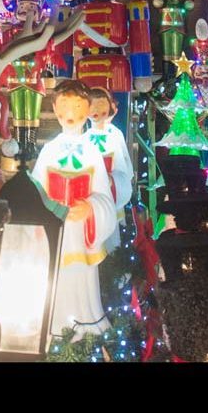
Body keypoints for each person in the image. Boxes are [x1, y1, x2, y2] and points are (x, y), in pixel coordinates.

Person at [31, 80, 116, 339]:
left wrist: (91, 207)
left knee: (80, 272)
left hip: (80, 228)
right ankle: (52, 324)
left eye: (77, 106)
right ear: (55, 109)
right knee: (53, 271)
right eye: (64, 106)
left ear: (88, 109)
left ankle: (86, 322)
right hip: (54, 223)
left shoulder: (92, 152)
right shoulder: (49, 150)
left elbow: (104, 195)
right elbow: (36, 188)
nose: (70, 113)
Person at [86, 87, 133, 251]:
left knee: (111, 239)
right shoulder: (84, 136)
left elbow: (125, 166)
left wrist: (116, 182)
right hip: (89, 197)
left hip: (111, 192)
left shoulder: (114, 134)